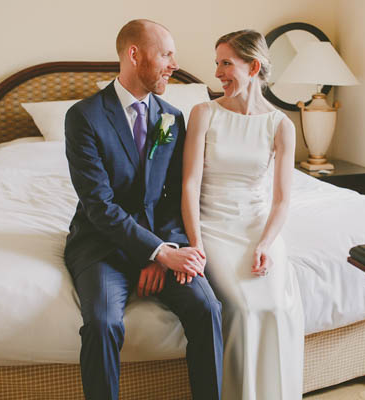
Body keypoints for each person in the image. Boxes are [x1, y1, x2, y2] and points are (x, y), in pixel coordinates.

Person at [64, 19, 223, 400]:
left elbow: (173, 197)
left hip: (160, 241)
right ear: (134, 55)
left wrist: (162, 254)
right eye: (166, 54)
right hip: (101, 245)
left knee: (208, 308)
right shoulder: (83, 117)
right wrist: (159, 252)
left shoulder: (171, 116)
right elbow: (99, 206)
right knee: (102, 324)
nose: (173, 64)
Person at [180, 29, 304, 399]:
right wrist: (196, 243)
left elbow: (282, 199)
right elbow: (189, 184)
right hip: (213, 228)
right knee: (243, 305)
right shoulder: (204, 113)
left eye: (226, 63)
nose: (217, 72)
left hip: (256, 226)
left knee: (277, 304)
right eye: (217, 63)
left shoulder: (281, 125)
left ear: (253, 66)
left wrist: (266, 242)